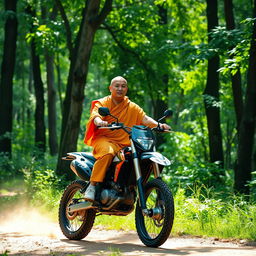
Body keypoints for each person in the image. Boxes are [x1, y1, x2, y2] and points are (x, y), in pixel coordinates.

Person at [83, 76, 170, 201]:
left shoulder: (131, 106)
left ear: (126, 89)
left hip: (126, 142)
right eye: (117, 86)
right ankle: (92, 185)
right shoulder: (103, 103)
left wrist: (158, 125)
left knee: (137, 156)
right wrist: (99, 121)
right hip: (105, 139)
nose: (120, 88)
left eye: (123, 86)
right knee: (108, 153)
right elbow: (96, 115)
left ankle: (128, 187)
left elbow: (144, 119)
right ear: (110, 88)